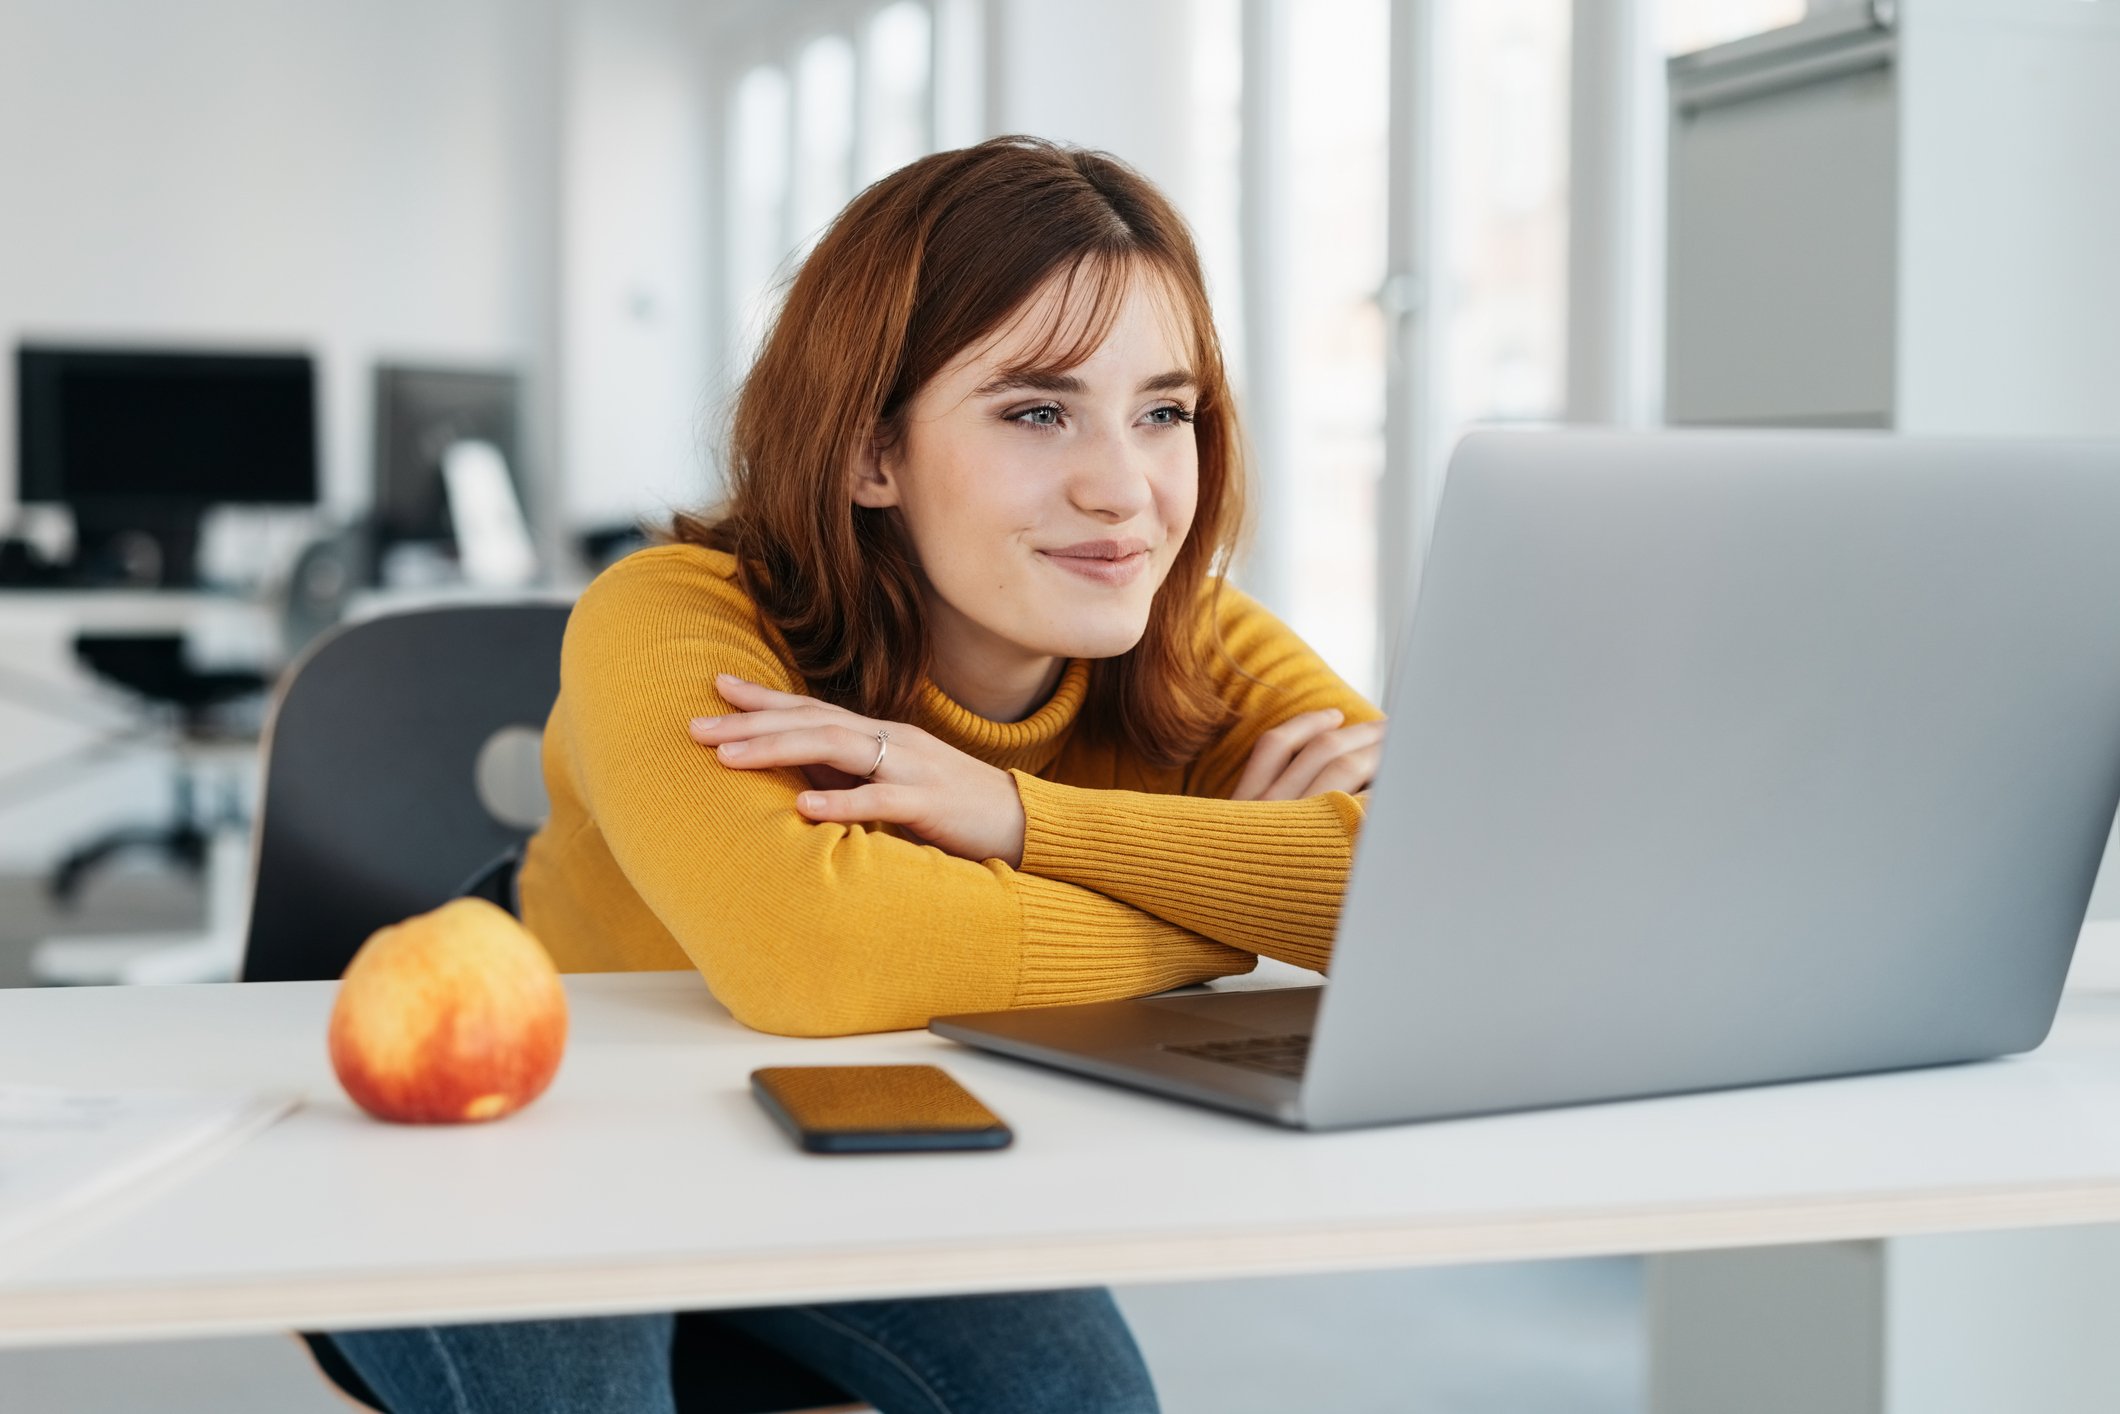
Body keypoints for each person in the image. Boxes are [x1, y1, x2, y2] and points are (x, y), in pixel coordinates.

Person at [321, 135, 1384, 1414]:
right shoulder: (673, 619)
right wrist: (1225, 905)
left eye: (1163, 412)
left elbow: (1450, 900)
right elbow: (818, 954)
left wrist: (1014, 816)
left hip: (868, 1119)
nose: (1126, 490)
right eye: (1038, 411)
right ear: (869, 450)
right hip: (543, 1125)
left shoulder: (1188, 634)